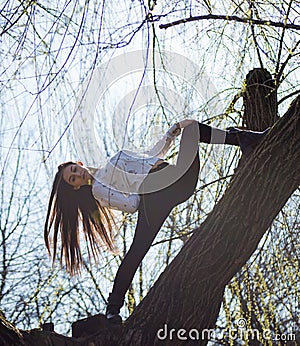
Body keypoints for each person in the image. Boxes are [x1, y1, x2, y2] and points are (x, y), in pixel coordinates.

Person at [44, 119, 269, 324]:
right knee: (137, 250)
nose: (77, 175)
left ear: (79, 163)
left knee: (192, 129)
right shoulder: (98, 190)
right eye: (73, 179)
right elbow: (131, 205)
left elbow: (151, 156)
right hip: (153, 198)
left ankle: (246, 139)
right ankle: (113, 307)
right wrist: (145, 183)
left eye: (74, 170)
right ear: (75, 187)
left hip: (178, 178)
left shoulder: (114, 159)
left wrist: (172, 132)